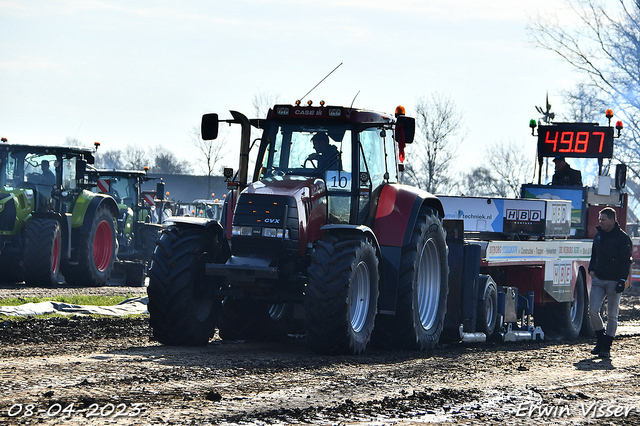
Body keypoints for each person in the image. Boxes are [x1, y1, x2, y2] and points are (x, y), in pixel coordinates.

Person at [588, 207, 632, 359]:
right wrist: (591, 269)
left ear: (612, 220)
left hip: (614, 281)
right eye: (599, 219)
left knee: (612, 315)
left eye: (603, 219)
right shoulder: (598, 236)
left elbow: (626, 261)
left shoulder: (623, 238)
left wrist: (621, 280)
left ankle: (606, 347)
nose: (600, 222)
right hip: (598, 280)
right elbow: (593, 255)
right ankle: (600, 340)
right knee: (593, 311)